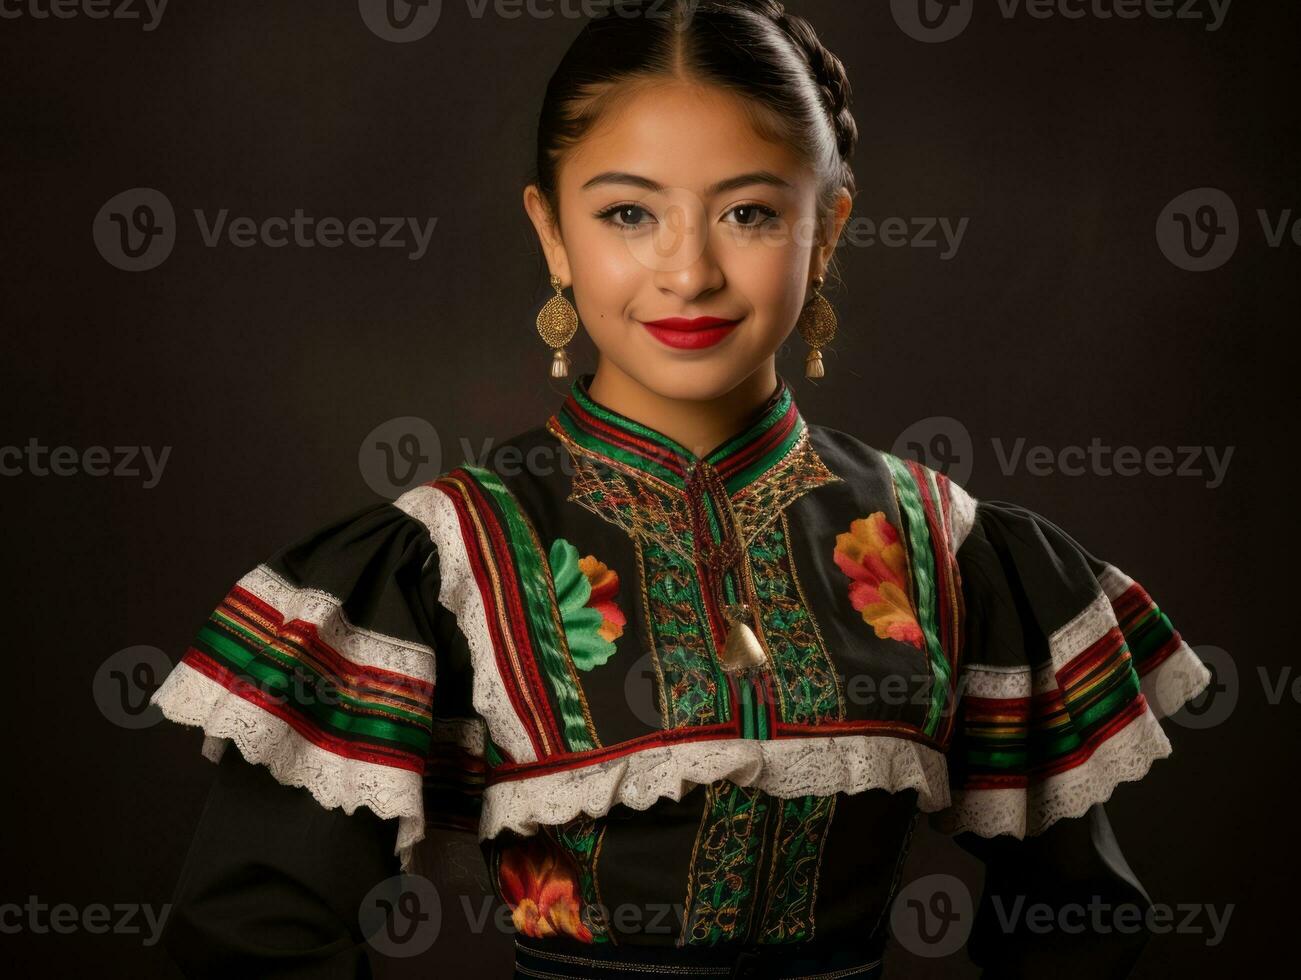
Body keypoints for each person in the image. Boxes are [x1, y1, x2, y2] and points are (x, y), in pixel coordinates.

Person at [147, 2, 1212, 976]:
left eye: (747, 213)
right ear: (550, 232)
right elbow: (254, 935)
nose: (689, 270)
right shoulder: (442, 554)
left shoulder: (946, 544)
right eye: (626, 214)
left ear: (827, 227)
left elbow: (1075, 930)